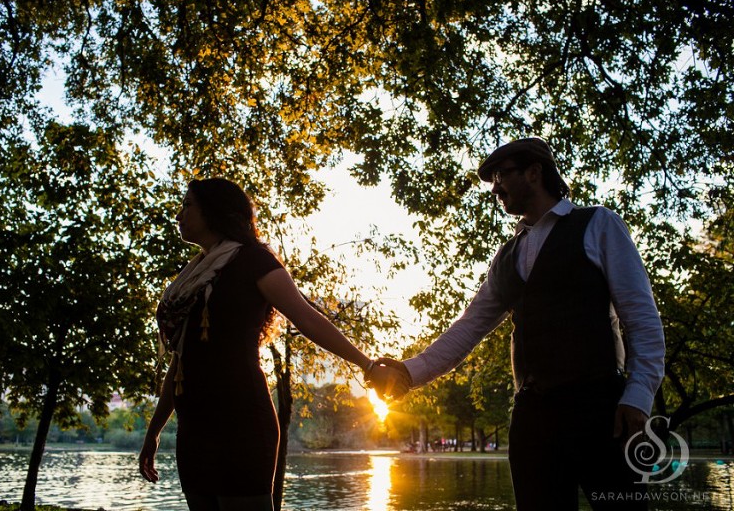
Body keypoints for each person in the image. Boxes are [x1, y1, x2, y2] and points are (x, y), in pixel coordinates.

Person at [369, 137, 665, 510]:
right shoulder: (506, 256)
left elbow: (641, 318)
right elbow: (469, 326)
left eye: (501, 176)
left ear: (534, 172)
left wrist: (638, 396)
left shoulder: (598, 224)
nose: (495, 189)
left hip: (601, 408)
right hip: (533, 418)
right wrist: (408, 373)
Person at [138, 177, 382, 511]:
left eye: (186, 206)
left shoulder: (254, 261)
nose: (178, 215)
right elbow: (180, 362)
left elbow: (306, 317)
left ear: (213, 211)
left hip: (242, 424)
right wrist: (153, 433)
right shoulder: (189, 279)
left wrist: (366, 364)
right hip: (194, 429)